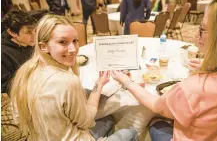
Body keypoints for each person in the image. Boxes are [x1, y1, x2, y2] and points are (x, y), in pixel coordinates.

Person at [111, 0, 217, 140]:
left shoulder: (194, 88)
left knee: (155, 120)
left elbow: (156, 105)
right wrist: (214, 66)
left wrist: (126, 81)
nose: (195, 36)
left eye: (202, 29)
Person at [10, 14, 138, 141]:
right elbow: (87, 122)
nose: (73, 49)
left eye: (75, 41)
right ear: (44, 46)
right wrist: (98, 86)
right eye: (62, 42)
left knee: (108, 119)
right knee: (131, 131)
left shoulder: (25, 72)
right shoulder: (67, 81)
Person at [1, 9, 36, 94]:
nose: (34, 36)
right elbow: (5, 86)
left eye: (35, 31)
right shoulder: (3, 53)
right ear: (12, 33)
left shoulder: (29, 43)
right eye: (28, 32)